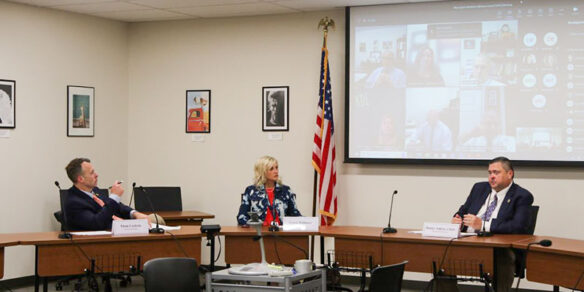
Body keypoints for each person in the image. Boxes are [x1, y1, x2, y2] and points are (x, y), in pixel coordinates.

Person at [445, 157, 534, 292]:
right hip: (467, 240)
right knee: (441, 253)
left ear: (510, 174)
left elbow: (518, 227)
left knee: (503, 255)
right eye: (490, 172)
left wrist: (483, 225)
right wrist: (456, 219)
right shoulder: (479, 188)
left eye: (496, 173)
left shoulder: (522, 196)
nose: (492, 177)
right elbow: (463, 211)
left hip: (497, 247)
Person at [64, 158, 151, 231]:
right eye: (92, 173)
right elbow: (96, 223)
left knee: (154, 219)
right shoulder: (73, 201)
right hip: (96, 243)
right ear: (80, 179)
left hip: (120, 230)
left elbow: (117, 207)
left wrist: (135, 213)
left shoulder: (95, 191)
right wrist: (114, 197)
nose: (96, 175)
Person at [236, 156, 301, 226]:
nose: (276, 171)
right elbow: (241, 217)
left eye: (276, 167)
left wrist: (308, 222)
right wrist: (254, 226)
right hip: (258, 233)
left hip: (281, 234)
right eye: (271, 169)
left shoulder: (286, 190)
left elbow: (295, 215)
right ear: (262, 172)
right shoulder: (251, 191)